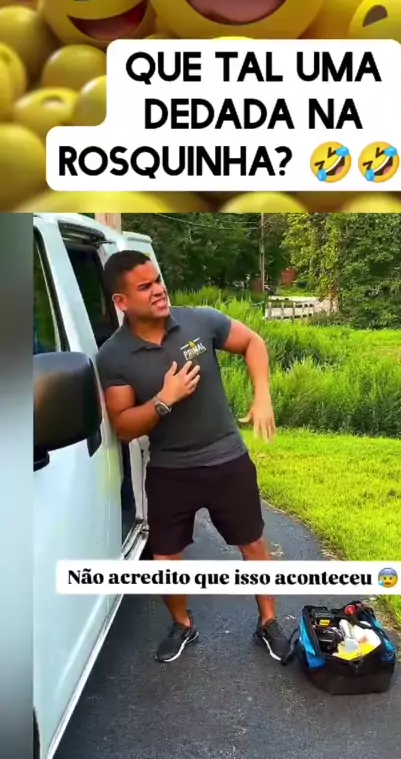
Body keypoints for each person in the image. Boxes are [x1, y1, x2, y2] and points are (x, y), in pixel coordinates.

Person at [96, 250, 290, 665]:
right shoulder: (113, 356)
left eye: (158, 280)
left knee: (253, 544)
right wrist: (164, 399)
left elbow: (252, 342)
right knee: (165, 558)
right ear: (121, 301)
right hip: (170, 469)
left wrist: (263, 397)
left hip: (227, 459)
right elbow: (124, 426)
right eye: (145, 286)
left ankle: (269, 622)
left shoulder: (200, 321)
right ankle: (182, 625)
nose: (158, 290)